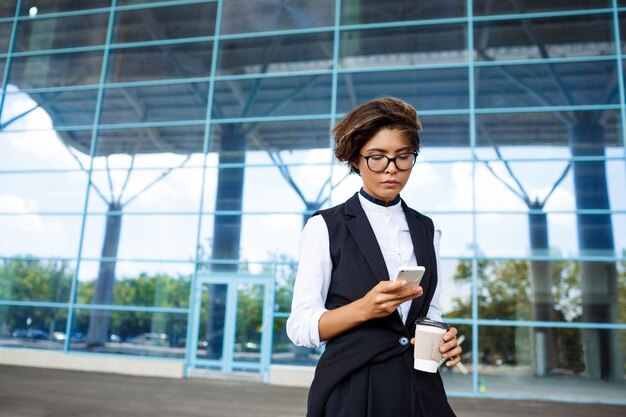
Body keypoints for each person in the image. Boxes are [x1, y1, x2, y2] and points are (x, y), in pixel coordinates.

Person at [286, 97, 462, 417]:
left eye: (403, 157)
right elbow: (299, 327)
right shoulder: (325, 226)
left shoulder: (428, 229)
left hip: (420, 387)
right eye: (377, 158)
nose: (391, 169)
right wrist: (364, 309)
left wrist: (443, 339)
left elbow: (428, 312)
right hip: (353, 386)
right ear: (355, 159)